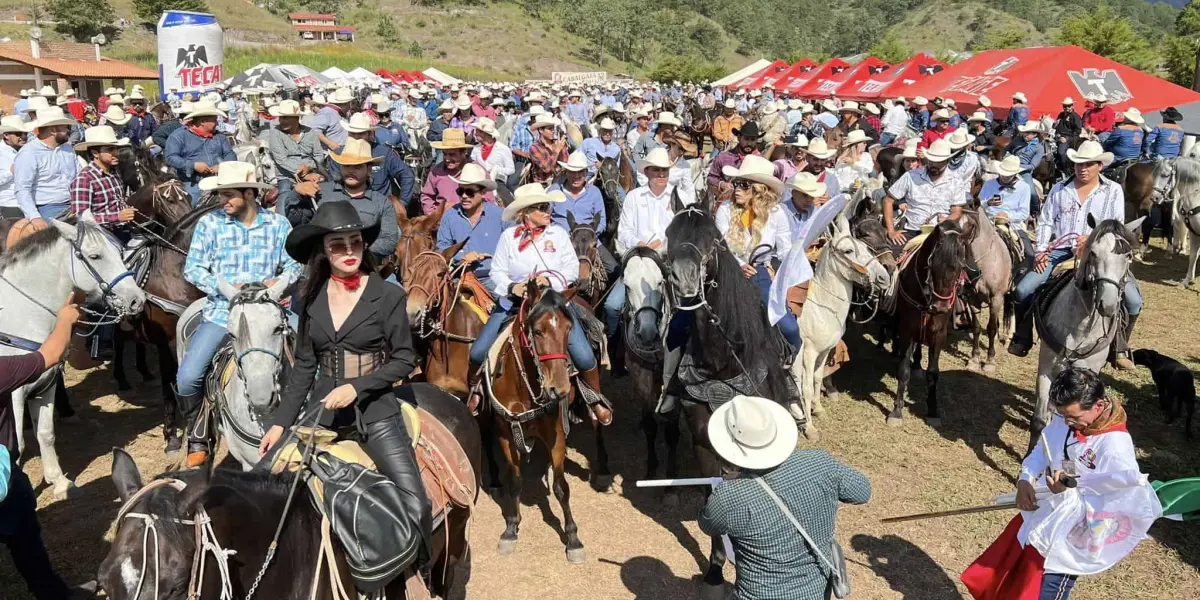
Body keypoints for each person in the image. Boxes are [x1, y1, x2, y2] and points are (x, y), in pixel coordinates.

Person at [259, 200, 432, 581]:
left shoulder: (388, 295)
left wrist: (357, 387)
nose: (349, 251)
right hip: (321, 413)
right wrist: (278, 423)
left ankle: (419, 575)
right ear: (324, 250)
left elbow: (404, 359)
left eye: (355, 242)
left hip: (376, 413)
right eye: (338, 244)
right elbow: (304, 366)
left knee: (417, 503)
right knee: (265, 483)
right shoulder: (309, 298)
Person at [962, 368, 1160, 600]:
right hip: (1042, 521)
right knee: (1009, 583)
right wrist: (1026, 478)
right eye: (1063, 415)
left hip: (1069, 538)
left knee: (1044, 592)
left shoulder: (1115, 447)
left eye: (1074, 417)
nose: (1066, 422)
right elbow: (1043, 447)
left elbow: (1117, 504)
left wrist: (1067, 493)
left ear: (1097, 406)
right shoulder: (1064, 418)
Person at [177, 162, 302, 467]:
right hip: (223, 313)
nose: (223, 200)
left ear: (249, 193)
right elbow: (193, 269)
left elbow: (295, 266)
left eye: (229, 194)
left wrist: (280, 282)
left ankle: (321, 421)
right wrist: (225, 287)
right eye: (220, 194)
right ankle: (199, 434)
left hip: (271, 313)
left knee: (320, 357)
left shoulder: (279, 225)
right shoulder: (210, 225)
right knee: (187, 378)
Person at [464, 183, 613, 424]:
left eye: (548, 206)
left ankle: (594, 397)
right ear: (525, 212)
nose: (548, 211)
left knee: (585, 356)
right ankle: (477, 391)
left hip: (553, 303)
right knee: (479, 351)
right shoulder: (508, 238)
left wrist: (549, 280)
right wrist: (514, 287)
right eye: (541, 207)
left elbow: (571, 269)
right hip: (514, 303)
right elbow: (497, 271)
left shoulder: (559, 235)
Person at [699, 394, 871, 600]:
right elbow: (863, 491)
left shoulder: (729, 496)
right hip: (816, 592)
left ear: (730, 445)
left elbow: (707, 524)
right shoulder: (821, 463)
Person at [1006, 141, 1139, 369]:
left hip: (1100, 251)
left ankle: (1119, 345)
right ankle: (1023, 335)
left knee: (1134, 300)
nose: (1082, 168)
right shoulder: (1059, 188)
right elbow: (1046, 221)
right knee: (1023, 289)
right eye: (1078, 163)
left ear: (1100, 165)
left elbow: (1115, 226)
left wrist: (1091, 238)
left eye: (1088, 164)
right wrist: (1040, 252)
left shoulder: (1113, 190)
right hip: (1060, 249)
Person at [0, 294, 83, 600]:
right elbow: (49, 355)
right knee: (26, 540)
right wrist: (64, 319)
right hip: (4, 481)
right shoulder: (3, 370)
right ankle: (54, 595)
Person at [716, 155, 799, 350]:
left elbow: (785, 248)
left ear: (759, 189)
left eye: (744, 184)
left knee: (790, 328)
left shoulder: (776, 213)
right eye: (736, 183)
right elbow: (720, 246)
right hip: (728, 271)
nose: (736, 189)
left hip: (761, 272)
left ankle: (788, 362)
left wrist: (791, 267)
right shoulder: (725, 210)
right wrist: (738, 265)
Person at [288, 139, 400, 263]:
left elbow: (389, 239)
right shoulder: (320, 191)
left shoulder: (382, 202)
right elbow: (298, 222)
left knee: (393, 282)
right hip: (324, 263)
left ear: (368, 170)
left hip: (367, 265)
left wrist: (359, 253)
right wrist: (296, 195)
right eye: (346, 166)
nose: (350, 171)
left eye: (357, 166)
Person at [882, 139, 967, 250]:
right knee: (889, 257)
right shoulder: (911, 176)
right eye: (931, 160)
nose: (933, 164)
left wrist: (948, 220)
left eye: (938, 162)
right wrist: (891, 231)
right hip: (913, 230)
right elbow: (888, 200)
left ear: (947, 161)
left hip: (942, 232)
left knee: (962, 259)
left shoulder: (956, 181)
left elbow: (957, 211)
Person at [437, 163, 506, 288]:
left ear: (483, 192)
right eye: (461, 191)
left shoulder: (500, 215)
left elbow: (513, 244)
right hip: (460, 277)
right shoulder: (450, 216)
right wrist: (462, 257)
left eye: (469, 192)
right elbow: (442, 248)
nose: (464, 196)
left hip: (493, 278)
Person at [327, 113, 415, 206]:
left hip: (381, 208)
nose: (356, 138)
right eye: (352, 133)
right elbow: (333, 184)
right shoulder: (339, 155)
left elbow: (407, 175)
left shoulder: (384, 153)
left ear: (369, 134)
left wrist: (402, 203)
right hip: (348, 209)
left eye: (360, 134)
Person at [69, 126, 136, 243]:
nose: (116, 153)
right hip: (101, 237)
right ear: (95, 153)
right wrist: (117, 216)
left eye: (116, 148)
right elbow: (81, 218)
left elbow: (118, 201)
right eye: (110, 149)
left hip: (122, 229)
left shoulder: (114, 172)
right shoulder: (84, 179)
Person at [13, 107, 78, 225]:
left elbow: (77, 177)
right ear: (53, 130)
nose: (68, 130)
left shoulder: (68, 149)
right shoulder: (28, 153)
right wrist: (34, 216)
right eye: (65, 127)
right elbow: (22, 189)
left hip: (74, 203)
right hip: (46, 207)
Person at [164, 101, 236, 205]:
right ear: (203, 121)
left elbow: (230, 154)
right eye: (214, 120)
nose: (217, 123)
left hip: (219, 180)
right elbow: (171, 157)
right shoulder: (178, 136)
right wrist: (193, 165)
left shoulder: (219, 136)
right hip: (192, 183)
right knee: (190, 208)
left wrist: (222, 166)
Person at [261, 99, 323, 216]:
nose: (281, 121)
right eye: (281, 117)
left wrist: (309, 167)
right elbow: (281, 159)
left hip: (312, 173)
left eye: (285, 118)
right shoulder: (275, 133)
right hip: (287, 177)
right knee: (283, 209)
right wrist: (304, 174)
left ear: (296, 118)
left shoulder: (310, 133)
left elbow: (319, 155)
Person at [422, 128, 490, 215]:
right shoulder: (436, 171)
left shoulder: (478, 171)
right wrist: (433, 216)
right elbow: (427, 196)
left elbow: (488, 201)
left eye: (452, 154)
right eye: (445, 154)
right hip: (441, 222)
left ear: (464, 152)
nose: (447, 159)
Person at [978, 155, 1034, 259]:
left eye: (1008, 175)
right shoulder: (989, 184)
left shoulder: (1024, 187)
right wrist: (987, 203)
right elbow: (978, 205)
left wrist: (1007, 216)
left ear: (1015, 174)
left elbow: (1024, 212)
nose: (1004, 177)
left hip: (1012, 225)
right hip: (988, 221)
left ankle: (1021, 272)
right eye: (1002, 174)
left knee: (1030, 255)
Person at [707, 120, 763, 197]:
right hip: (727, 201)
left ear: (757, 140)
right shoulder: (723, 157)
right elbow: (711, 177)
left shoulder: (761, 161)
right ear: (739, 138)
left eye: (752, 140)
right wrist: (722, 184)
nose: (749, 143)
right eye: (746, 139)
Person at [469, 117, 515, 189]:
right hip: (479, 180)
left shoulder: (503, 149)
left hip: (498, 181)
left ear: (483, 133)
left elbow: (511, 169)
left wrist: (496, 169)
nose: (475, 134)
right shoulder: (476, 148)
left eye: (477, 131)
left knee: (507, 198)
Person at [0, 116, 31, 219]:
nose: (23, 137)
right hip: (10, 204)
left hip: (29, 202)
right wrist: (11, 172)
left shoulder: (27, 150)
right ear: (6, 135)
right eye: (18, 134)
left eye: (25, 133)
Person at [528, 114, 569, 185]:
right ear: (541, 130)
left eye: (553, 128)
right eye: (550, 129)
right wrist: (557, 151)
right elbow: (546, 168)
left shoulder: (558, 143)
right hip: (544, 184)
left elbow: (566, 162)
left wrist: (562, 148)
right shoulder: (534, 148)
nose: (553, 131)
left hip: (560, 180)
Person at [1012, 121, 1046, 192]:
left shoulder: (1039, 148)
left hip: (1024, 172)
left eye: (1028, 133)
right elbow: (1006, 149)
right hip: (1009, 166)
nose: (1025, 135)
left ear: (1035, 134)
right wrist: (1006, 157)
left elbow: (1032, 166)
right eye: (1024, 132)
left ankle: (1036, 203)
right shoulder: (1017, 140)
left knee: (1032, 193)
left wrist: (1018, 166)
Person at [1054, 97, 1084, 169]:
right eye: (1065, 106)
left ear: (1072, 106)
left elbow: (1078, 131)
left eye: (1069, 106)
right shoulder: (1061, 114)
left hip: (1069, 137)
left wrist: (1067, 139)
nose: (1067, 107)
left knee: (1061, 152)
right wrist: (1055, 125)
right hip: (1057, 135)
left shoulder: (1075, 116)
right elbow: (1056, 125)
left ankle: (1064, 169)